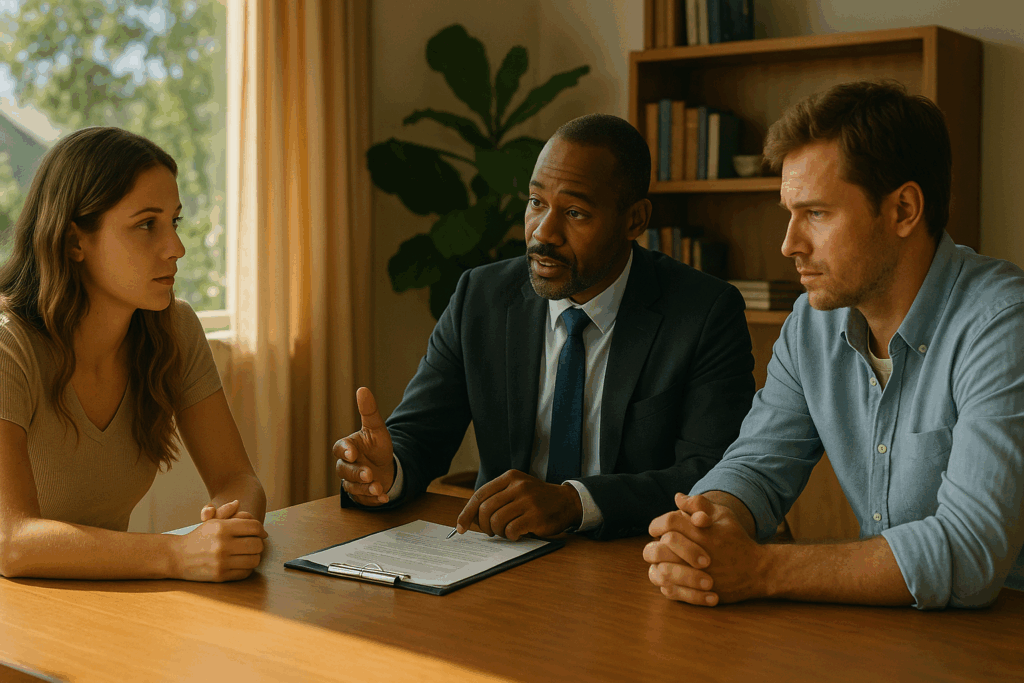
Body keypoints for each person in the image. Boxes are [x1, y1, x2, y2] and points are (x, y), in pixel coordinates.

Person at [645, 80, 1024, 609]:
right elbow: (756, 466)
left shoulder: (1003, 324)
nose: (788, 244)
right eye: (788, 212)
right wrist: (706, 527)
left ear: (904, 210)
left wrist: (759, 568)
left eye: (817, 214)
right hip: (889, 636)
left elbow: (971, 552)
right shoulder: (812, 323)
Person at [334, 113, 755, 540]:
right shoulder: (480, 297)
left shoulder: (703, 313)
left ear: (635, 221)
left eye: (575, 212)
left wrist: (576, 502)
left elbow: (711, 473)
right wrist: (387, 471)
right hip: (502, 552)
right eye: (536, 203)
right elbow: (421, 434)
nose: (544, 232)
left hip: (636, 561)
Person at [0, 127, 267, 582]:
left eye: (174, 222)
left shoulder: (174, 329)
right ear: (74, 242)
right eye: (147, 225)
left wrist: (230, 528)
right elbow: (10, 542)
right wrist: (178, 555)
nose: (176, 249)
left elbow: (236, 478)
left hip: (105, 605)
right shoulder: (9, 348)